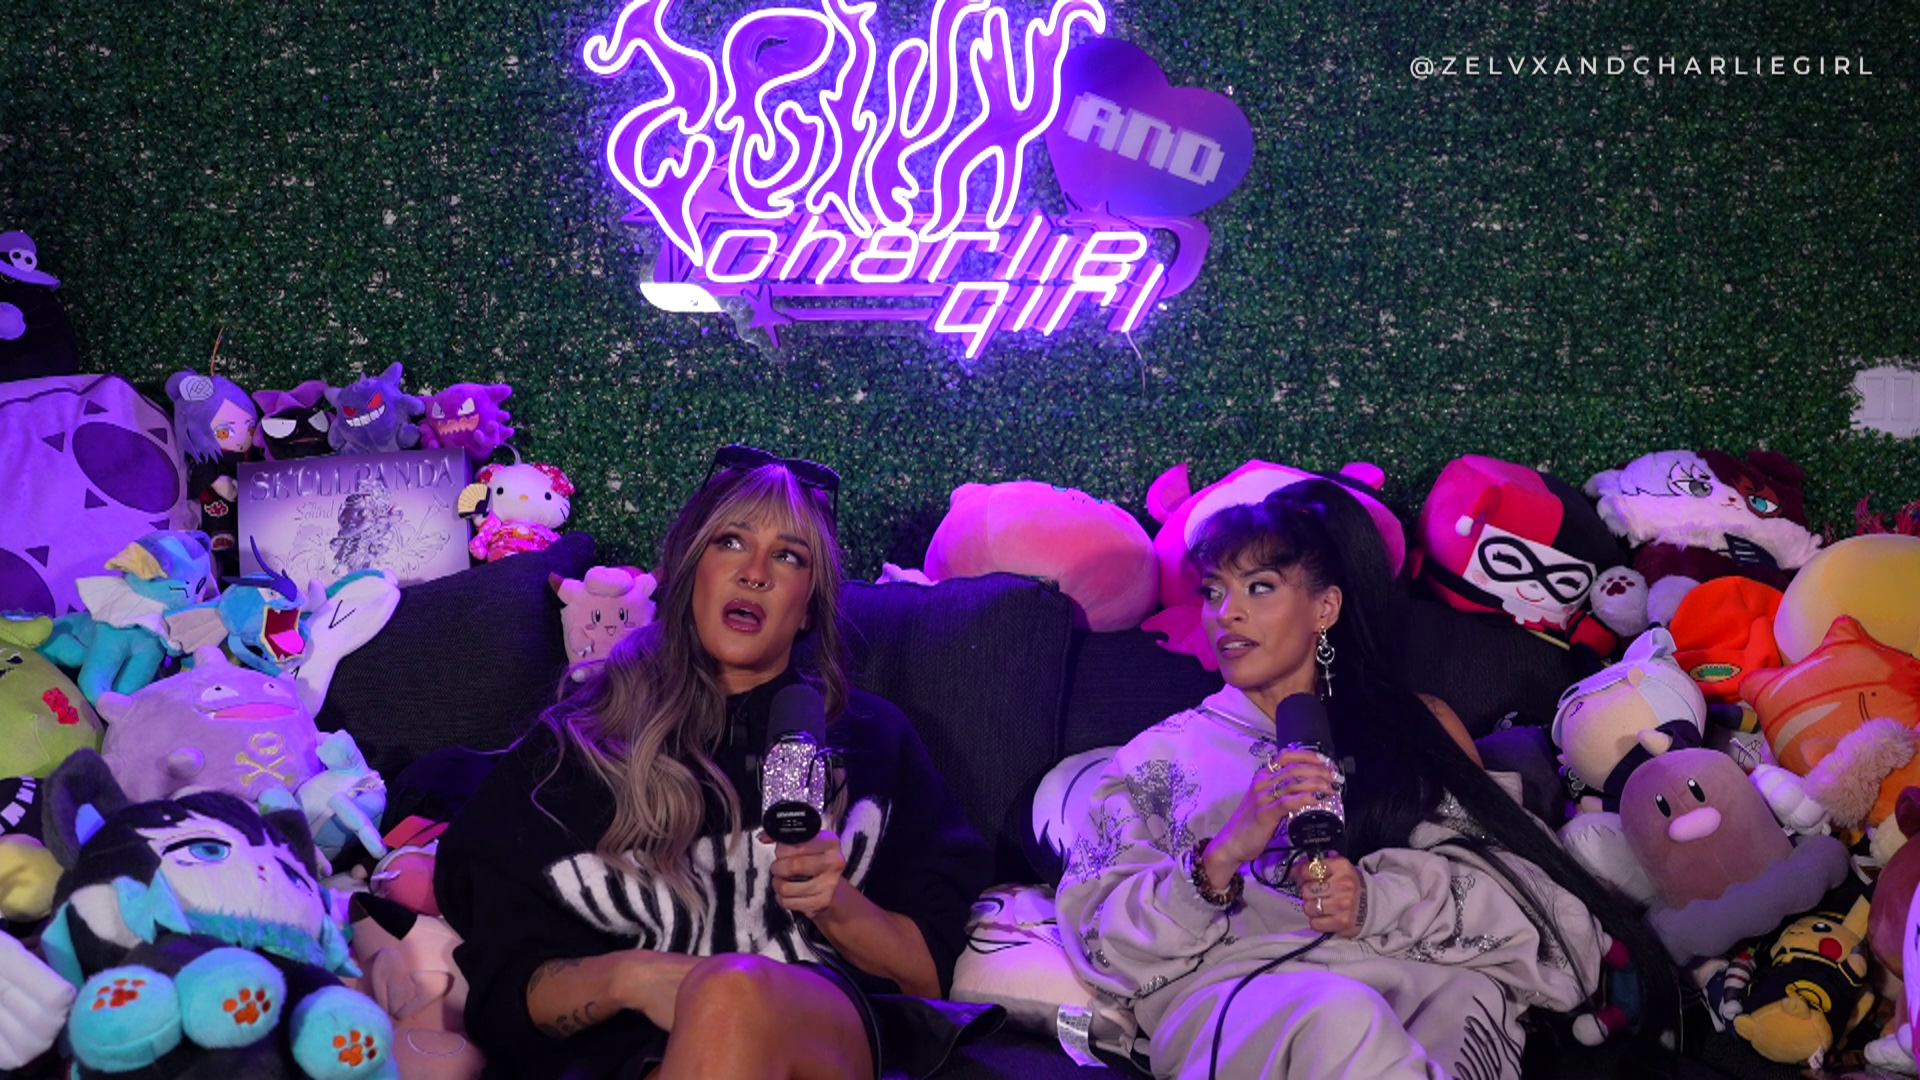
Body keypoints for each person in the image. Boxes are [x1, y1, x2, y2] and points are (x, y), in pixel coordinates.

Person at [1056, 478, 1677, 1080]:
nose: (1228, 613)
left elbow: (1532, 904)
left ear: (1324, 608)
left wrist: (1374, 903)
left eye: (1259, 587)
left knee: (1440, 1012)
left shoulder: (1408, 731)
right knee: (1340, 1017)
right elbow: (1098, 947)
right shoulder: (1157, 760)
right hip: (1254, 1008)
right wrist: (1219, 859)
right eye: (1213, 591)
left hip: (1427, 991)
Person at [436, 447, 995, 1079]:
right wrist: (632, 976)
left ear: (809, 607)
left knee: (731, 993)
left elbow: (927, 978)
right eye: (731, 542)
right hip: (634, 1055)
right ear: (688, 569)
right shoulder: (574, 748)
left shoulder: (873, 738)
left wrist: (833, 901)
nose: (755, 573)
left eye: (789, 556)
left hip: (824, 1039)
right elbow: (504, 999)